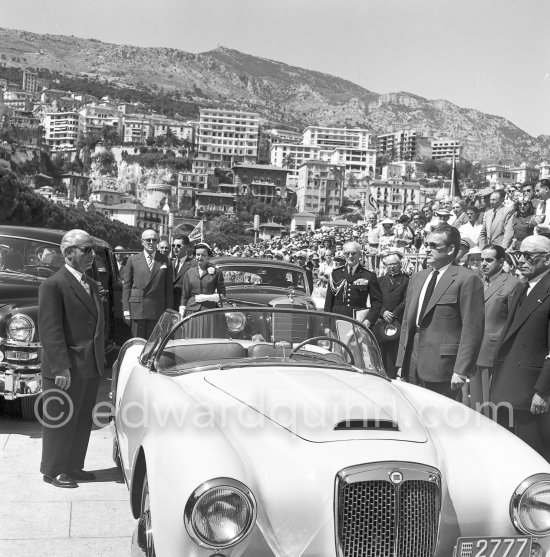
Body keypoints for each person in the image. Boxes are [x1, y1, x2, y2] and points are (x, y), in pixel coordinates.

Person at [38, 229, 106, 488]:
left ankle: (73, 465)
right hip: (65, 367)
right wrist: (61, 368)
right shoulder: (53, 285)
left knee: (81, 419)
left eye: (93, 250)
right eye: (86, 250)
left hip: (88, 364)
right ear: (68, 253)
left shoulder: (89, 282)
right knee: (61, 421)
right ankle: (54, 470)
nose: (92, 255)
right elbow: (50, 330)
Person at [396, 223, 484, 399]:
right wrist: (400, 362)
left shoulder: (466, 279)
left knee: (439, 419)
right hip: (412, 361)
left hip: (443, 366)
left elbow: (472, 329)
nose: (427, 250)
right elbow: (407, 323)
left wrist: (461, 370)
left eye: (434, 246)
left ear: (451, 249)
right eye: (426, 245)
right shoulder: (418, 277)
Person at [490, 235, 550, 460]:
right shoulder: (524, 287)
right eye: (518, 254)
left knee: (534, 455)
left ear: (547, 259)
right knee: (511, 453)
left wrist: (543, 391)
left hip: (530, 392)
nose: (521, 260)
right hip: (510, 385)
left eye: (528, 255)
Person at [470, 245, 522, 413]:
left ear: (501, 262)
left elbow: (515, 323)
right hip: (473, 351)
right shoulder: (478, 281)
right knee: (475, 405)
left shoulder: (513, 284)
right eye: (481, 260)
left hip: (494, 353)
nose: (483, 263)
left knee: (490, 407)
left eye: (488, 260)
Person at [122, 229, 174, 338]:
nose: (151, 242)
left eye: (154, 240)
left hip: (157, 309)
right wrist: (126, 310)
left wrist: (169, 313)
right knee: (137, 345)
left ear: (157, 242)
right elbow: (126, 286)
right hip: (137, 309)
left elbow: (169, 289)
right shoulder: (132, 260)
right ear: (142, 242)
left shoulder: (165, 260)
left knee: (153, 347)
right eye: (148, 240)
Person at [323, 241, 382, 328]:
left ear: (360, 255)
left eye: (353, 253)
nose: (350, 256)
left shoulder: (368, 275)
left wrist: (368, 321)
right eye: (347, 253)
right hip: (337, 319)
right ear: (344, 255)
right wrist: (326, 324)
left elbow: (377, 301)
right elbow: (329, 301)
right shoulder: (336, 273)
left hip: (358, 321)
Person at [377, 252, 409, 378]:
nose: (392, 267)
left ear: (400, 264)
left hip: (396, 321)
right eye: (389, 264)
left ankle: (391, 377)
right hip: (381, 320)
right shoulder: (380, 280)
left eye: (394, 264)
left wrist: (394, 314)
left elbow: (406, 300)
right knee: (380, 352)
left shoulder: (407, 280)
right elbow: (376, 298)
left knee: (393, 353)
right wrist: (383, 311)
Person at [171, 234, 194, 311]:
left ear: (187, 247)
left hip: (185, 306)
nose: (175, 248)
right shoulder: (170, 263)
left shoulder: (193, 265)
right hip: (171, 306)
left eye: (178, 246)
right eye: (173, 245)